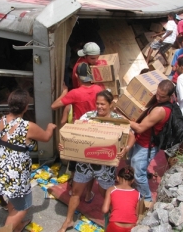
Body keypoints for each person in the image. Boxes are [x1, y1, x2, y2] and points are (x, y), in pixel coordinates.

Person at [57, 90, 136, 232]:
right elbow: (74, 133)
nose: (99, 107)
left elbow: (131, 136)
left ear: (111, 104)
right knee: (75, 192)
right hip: (85, 163)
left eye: (103, 104)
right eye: (97, 103)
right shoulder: (87, 116)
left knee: (106, 195)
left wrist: (126, 149)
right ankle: (68, 221)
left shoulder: (118, 120)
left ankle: (110, 224)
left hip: (106, 166)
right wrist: (65, 145)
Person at [0, 89, 56, 232]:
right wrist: (50, 127)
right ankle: (9, 228)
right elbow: (45, 137)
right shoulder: (27, 126)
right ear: (26, 107)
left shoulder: (0, 121)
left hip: (0, 169)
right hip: (16, 173)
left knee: (12, 199)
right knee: (24, 207)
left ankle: (18, 225)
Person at [52, 62, 103, 202]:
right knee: (92, 162)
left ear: (76, 75)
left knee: (75, 164)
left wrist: (64, 92)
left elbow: (54, 106)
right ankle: (88, 194)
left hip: (78, 133)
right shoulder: (99, 89)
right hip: (95, 132)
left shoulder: (74, 93)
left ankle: (74, 191)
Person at [129, 80, 174, 201]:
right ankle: (137, 191)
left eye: (162, 96)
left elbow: (139, 128)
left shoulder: (160, 110)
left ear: (170, 96)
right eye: (157, 94)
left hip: (146, 145)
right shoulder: (159, 102)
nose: (158, 98)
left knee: (138, 173)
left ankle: (147, 199)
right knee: (132, 166)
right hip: (142, 141)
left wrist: (123, 119)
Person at [102, 166, 140, 232]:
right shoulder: (137, 193)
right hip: (131, 227)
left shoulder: (111, 190)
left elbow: (105, 210)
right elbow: (136, 214)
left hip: (115, 225)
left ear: (117, 178)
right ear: (133, 180)